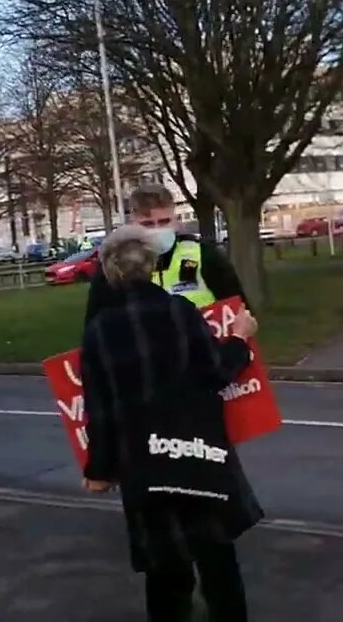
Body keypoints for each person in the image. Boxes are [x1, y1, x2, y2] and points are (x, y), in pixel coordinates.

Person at [80, 224, 264, 622]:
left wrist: (99, 470)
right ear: (149, 266)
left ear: (109, 272)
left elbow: (100, 408)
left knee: (164, 569)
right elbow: (215, 372)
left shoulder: (98, 332)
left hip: (143, 464)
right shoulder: (180, 312)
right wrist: (240, 339)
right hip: (197, 452)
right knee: (217, 561)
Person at [84, 183, 247, 327]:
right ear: (133, 223)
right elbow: (95, 328)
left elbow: (240, 311)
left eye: (164, 222)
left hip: (202, 354)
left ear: (175, 219)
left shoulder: (204, 255)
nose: (157, 230)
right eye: (147, 224)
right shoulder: (114, 265)